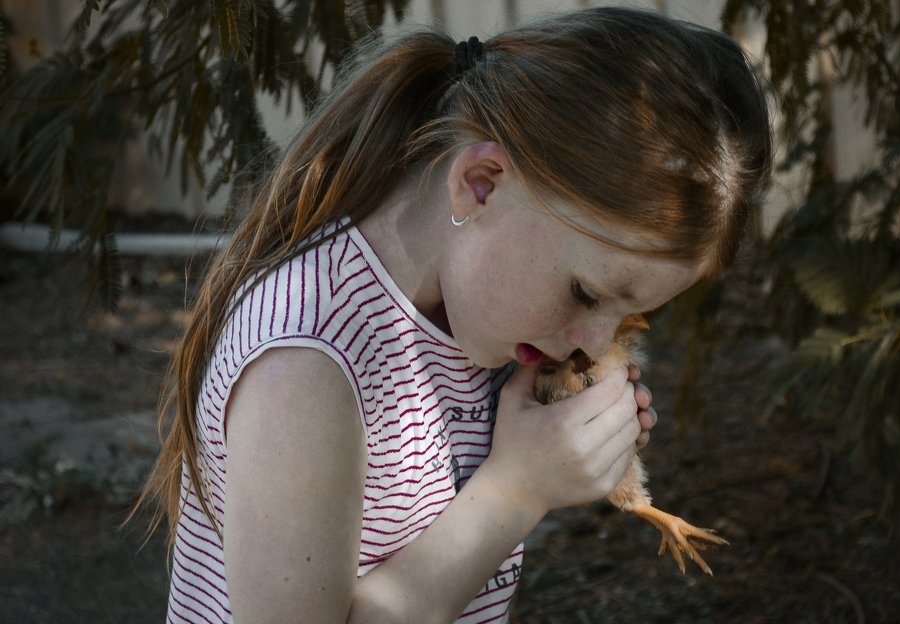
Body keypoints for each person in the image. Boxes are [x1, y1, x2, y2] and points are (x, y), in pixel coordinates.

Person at [132, 6, 771, 623]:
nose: (594, 342)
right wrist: (516, 489)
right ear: (482, 183)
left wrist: (571, 441)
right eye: (585, 292)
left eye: (631, 312)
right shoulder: (305, 363)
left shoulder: (478, 315)